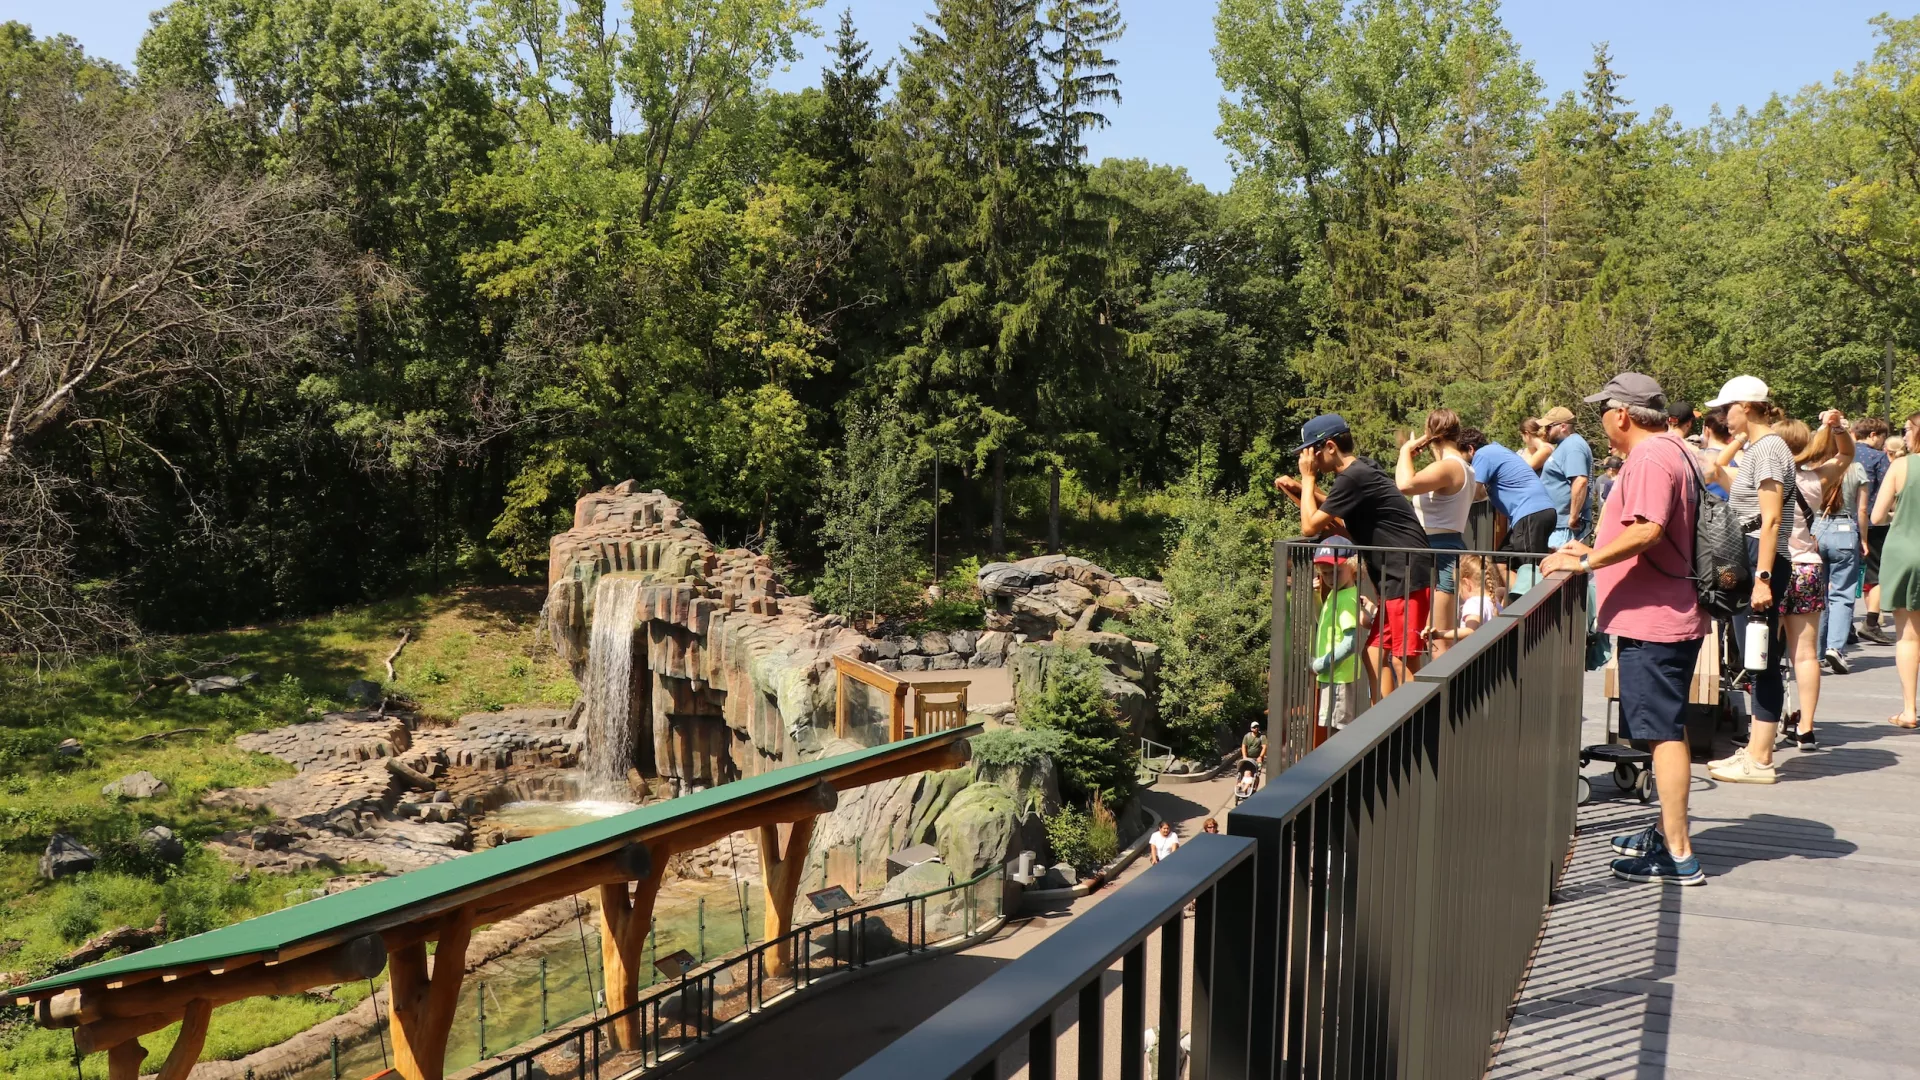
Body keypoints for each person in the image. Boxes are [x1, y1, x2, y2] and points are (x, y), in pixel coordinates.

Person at [1541, 372, 1707, 885]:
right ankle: (1665, 832)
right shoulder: (1674, 448)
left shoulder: (1653, 457)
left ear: (1622, 415)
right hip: (1663, 612)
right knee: (1665, 727)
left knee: (1662, 735)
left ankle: (1678, 855)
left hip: (1657, 618)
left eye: (1603, 413)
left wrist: (1587, 561)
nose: (1602, 423)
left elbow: (1648, 528)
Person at [1276, 413, 1433, 697]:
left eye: (1311, 452)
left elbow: (1309, 525)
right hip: (1393, 575)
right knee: (1373, 652)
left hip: (1405, 571)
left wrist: (1307, 478)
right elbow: (1337, 506)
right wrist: (1302, 490)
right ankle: (1383, 721)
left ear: (1330, 447)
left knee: (1404, 658)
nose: (1308, 460)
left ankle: (1415, 724)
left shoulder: (1353, 477)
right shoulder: (1359, 471)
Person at [1707, 376, 1799, 784]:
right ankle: (1755, 750)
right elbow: (1727, 483)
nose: (1722, 417)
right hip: (1751, 557)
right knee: (1756, 655)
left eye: (1727, 408)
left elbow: (1771, 518)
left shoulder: (1770, 449)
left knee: (1761, 657)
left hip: (1760, 559)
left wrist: (1761, 578)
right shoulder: (1760, 447)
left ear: (1746, 406)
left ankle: (1760, 759)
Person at [1763, 413, 1853, 748]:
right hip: (1806, 568)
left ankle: (1765, 727)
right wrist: (1836, 428)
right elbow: (1845, 455)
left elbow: (1714, 469)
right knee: (1805, 655)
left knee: (1765, 653)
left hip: (1770, 569)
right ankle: (1807, 727)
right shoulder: (1815, 480)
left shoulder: (1763, 480)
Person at [1395, 410, 1474, 653]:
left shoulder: (1449, 467)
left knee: (1439, 639)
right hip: (1439, 551)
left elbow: (1405, 484)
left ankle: (1444, 691)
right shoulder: (1462, 467)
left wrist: (1405, 452)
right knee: (1433, 636)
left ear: (1430, 435)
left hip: (1442, 553)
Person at [1872, 413, 1920, 728]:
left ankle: (1909, 710)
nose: (1903, 437)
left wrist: (1898, 508)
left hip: (1905, 551)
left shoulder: (1901, 466)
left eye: (1905, 431)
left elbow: (1876, 516)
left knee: (1908, 636)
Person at [1460, 428, 1557, 557]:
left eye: (1461, 456)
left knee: (1530, 569)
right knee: (1501, 563)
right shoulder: (1498, 451)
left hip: (1530, 513)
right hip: (1540, 511)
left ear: (1470, 449)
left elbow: (1472, 492)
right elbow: (1481, 493)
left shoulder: (1482, 454)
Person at [1310, 539, 1364, 732]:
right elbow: (1322, 620)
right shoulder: (1336, 593)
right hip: (1332, 673)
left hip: (1338, 675)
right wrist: (1316, 597)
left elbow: (1351, 643)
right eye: (1325, 573)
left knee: (1338, 728)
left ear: (1352, 567)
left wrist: (1319, 664)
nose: (1330, 578)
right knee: (1332, 725)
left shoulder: (1347, 598)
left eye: (1336, 571)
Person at [1854, 418, 1894, 645]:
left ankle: (1841, 626)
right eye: (1881, 437)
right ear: (1872, 435)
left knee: (1844, 576)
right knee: (1875, 574)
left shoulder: (1842, 454)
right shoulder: (1879, 458)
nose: (1882, 442)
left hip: (1842, 522)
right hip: (1873, 523)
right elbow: (1888, 491)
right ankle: (1871, 622)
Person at [1536, 406, 1595, 548]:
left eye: (1549, 427)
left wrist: (1573, 517)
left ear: (1563, 426)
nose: (1545, 431)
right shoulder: (1566, 445)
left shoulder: (1573, 446)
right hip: (1560, 526)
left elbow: (1580, 481)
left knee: (1556, 569)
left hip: (1565, 529)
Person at [1425, 555, 1499, 642]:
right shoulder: (1495, 602)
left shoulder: (1474, 603)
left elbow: (1470, 631)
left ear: (1466, 583)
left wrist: (1440, 634)